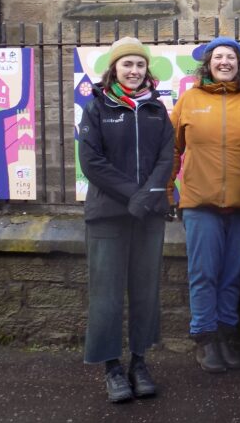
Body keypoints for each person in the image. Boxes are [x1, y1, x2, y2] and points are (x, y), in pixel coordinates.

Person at [78, 37, 174, 404]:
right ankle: (112, 368)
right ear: (114, 69)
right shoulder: (97, 108)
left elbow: (166, 158)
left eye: (139, 65)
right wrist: (134, 195)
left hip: (147, 216)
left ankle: (139, 362)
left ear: (146, 70)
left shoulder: (156, 109)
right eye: (126, 65)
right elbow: (91, 163)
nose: (133, 71)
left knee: (146, 291)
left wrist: (147, 197)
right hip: (107, 216)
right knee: (106, 296)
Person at [171, 36, 240, 373]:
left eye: (231, 57)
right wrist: (166, 189)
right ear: (208, 63)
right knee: (204, 273)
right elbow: (172, 148)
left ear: (239, 64)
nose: (224, 62)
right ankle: (205, 338)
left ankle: (226, 334)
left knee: (232, 274)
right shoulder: (189, 99)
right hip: (200, 203)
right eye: (218, 57)